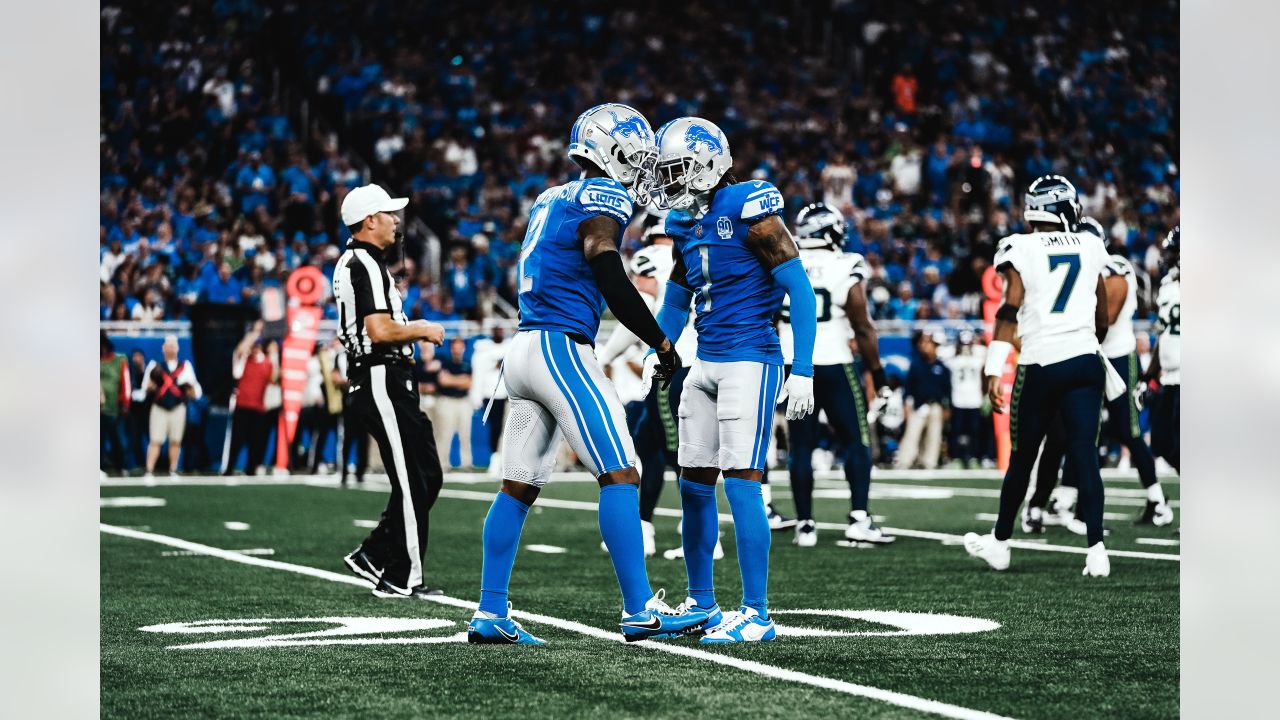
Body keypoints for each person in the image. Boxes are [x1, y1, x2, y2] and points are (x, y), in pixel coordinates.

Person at [468, 104, 702, 646]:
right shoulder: (603, 195)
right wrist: (660, 339)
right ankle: (641, 610)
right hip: (559, 349)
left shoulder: (552, 196)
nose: (643, 166)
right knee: (621, 473)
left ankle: (490, 610)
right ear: (608, 150)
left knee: (517, 488)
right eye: (637, 154)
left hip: (524, 351)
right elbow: (605, 263)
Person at [646, 116, 818, 644]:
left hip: (751, 359)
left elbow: (801, 290)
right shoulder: (684, 223)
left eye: (676, 169)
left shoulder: (750, 207)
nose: (667, 180)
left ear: (706, 164)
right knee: (693, 485)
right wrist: (662, 347)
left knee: (742, 482)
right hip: (706, 363)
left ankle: (758, 613)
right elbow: (677, 300)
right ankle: (701, 603)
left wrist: (804, 368)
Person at [964, 175, 1114, 577]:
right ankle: (1097, 552)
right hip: (1084, 360)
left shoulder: (1020, 245)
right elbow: (1101, 315)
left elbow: (1010, 306)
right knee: (1084, 453)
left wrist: (994, 365)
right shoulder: (1091, 244)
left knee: (1023, 458)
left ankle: (1000, 543)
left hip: (1040, 362)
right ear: (1065, 208)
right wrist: (1082, 340)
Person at [333, 183, 448, 599]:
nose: (397, 222)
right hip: (380, 376)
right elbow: (379, 330)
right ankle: (404, 576)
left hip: (391, 379)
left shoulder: (367, 263)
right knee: (413, 478)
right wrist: (420, 328)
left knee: (426, 476)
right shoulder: (361, 263)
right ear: (369, 221)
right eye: (389, 214)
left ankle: (375, 554)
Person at [1022, 217, 1172, 530]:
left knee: (1128, 430)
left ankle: (1157, 500)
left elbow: (1107, 314)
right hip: (1085, 356)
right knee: (1074, 432)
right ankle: (1060, 500)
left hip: (1115, 357)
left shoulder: (1114, 266)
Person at [778, 202, 894, 547]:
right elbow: (862, 324)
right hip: (835, 363)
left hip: (793, 364)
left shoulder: (784, 259)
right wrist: (879, 375)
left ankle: (806, 525)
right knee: (856, 441)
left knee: (801, 446)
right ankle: (859, 517)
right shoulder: (846, 264)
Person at [1144, 227, 1180, 474]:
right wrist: (1149, 374)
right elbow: (1163, 333)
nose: (1166, 257)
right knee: (1160, 441)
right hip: (1169, 375)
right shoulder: (1167, 285)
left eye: (1173, 252)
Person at [142, 335, 202, 477]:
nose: (171, 349)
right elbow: (146, 387)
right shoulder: (155, 365)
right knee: (155, 440)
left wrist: (189, 388)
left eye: (173, 346)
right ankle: (149, 470)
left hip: (177, 407)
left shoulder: (185, 366)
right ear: (163, 348)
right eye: (168, 345)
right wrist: (152, 384)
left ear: (178, 348)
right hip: (159, 407)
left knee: (176, 440)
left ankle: (173, 469)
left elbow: (195, 390)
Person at [223, 322, 277, 476]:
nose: (254, 347)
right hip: (242, 406)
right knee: (236, 441)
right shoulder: (243, 361)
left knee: (256, 442)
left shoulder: (267, 363)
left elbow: (274, 379)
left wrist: (274, 354)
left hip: (258, 408)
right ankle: (229, 469)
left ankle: (251, 470)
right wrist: (255, 332)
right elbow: (240, 350)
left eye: (257, 345)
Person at [895, 331, 951, 470]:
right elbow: (908, 387)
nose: (925, 347)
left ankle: (929, 462)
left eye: (928, 344)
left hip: (935, 406)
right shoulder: (916, 365)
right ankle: (904, 461)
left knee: (934, 435)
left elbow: (947, 390)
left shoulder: (942, 367)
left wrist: (947, 407)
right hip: (918, 405)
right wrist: (905, 404)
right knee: (912, 434)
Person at [468, 324, 509, 475]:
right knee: (495, 428)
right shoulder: (483, 350)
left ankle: (506, 461)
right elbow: (478, 375)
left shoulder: (511, 347)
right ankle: (495, 459)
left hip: (510, 395)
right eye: (496, 330)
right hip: (492, 394)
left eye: (501, 330)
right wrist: (476, 396)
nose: (499, 332)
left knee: (510, 430)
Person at [945, 330, 986, 469]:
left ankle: (974, 457)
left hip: (975, 399)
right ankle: (956, 457)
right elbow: (941, 351)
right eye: (963, 343)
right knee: (956, 431)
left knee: (975, 431)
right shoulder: (952, 357)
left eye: (968, 343)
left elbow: (988, 350)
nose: (966, 347)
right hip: (958, 399)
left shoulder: (978, 356)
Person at [433, 336, 474, 469]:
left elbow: (469, 383)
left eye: (460, 347)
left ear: (463, 348)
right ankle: (443, 463)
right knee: (445, 433)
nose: (457, 350)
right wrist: (461, 380)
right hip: (448, 401)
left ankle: (466, 463)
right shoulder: (445, 362)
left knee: (465, 434)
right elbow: (443, 381)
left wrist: (452, 379)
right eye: (455, 347)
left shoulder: (467, 363)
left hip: (463, 402)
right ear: (451, 348)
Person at [100, 332, 132, 475]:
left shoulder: (119, 359)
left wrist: (125, 403)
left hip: (113, 407)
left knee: (118, 438)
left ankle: (122, 466)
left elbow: (125, 382)